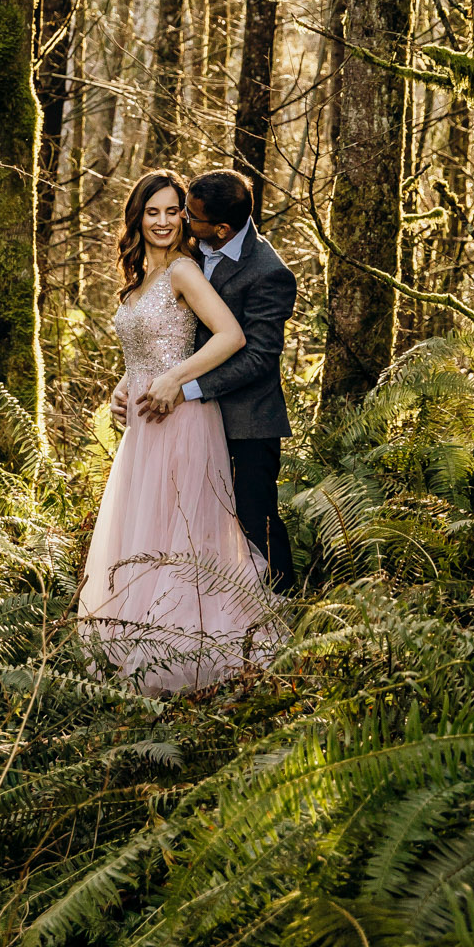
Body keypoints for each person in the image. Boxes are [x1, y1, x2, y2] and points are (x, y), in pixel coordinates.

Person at [78, 170, 273, 690]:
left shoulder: (185, 272)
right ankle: (137, 638)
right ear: (137, 217)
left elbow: (230, 336)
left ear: (184, 217)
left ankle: (188, 648)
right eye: (153, 212)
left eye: (172, 211)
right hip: (143, 424)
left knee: (183, 532)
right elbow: (143, 349)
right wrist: (122, 386)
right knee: (145, 528)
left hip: (182, 417)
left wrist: (172, 379)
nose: (164, 222)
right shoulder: (139, 280)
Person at [123, 168, 298, 592]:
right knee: (187, 520)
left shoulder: (267, 272)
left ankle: (287, 611)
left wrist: (184, 387)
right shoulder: (193, 249)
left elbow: (257, 356)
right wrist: (131, 379)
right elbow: (167, 326)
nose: (180, 218)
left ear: (221, 227)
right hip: (182, 416)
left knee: (254, 519)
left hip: (246, 419)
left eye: (189, 215)